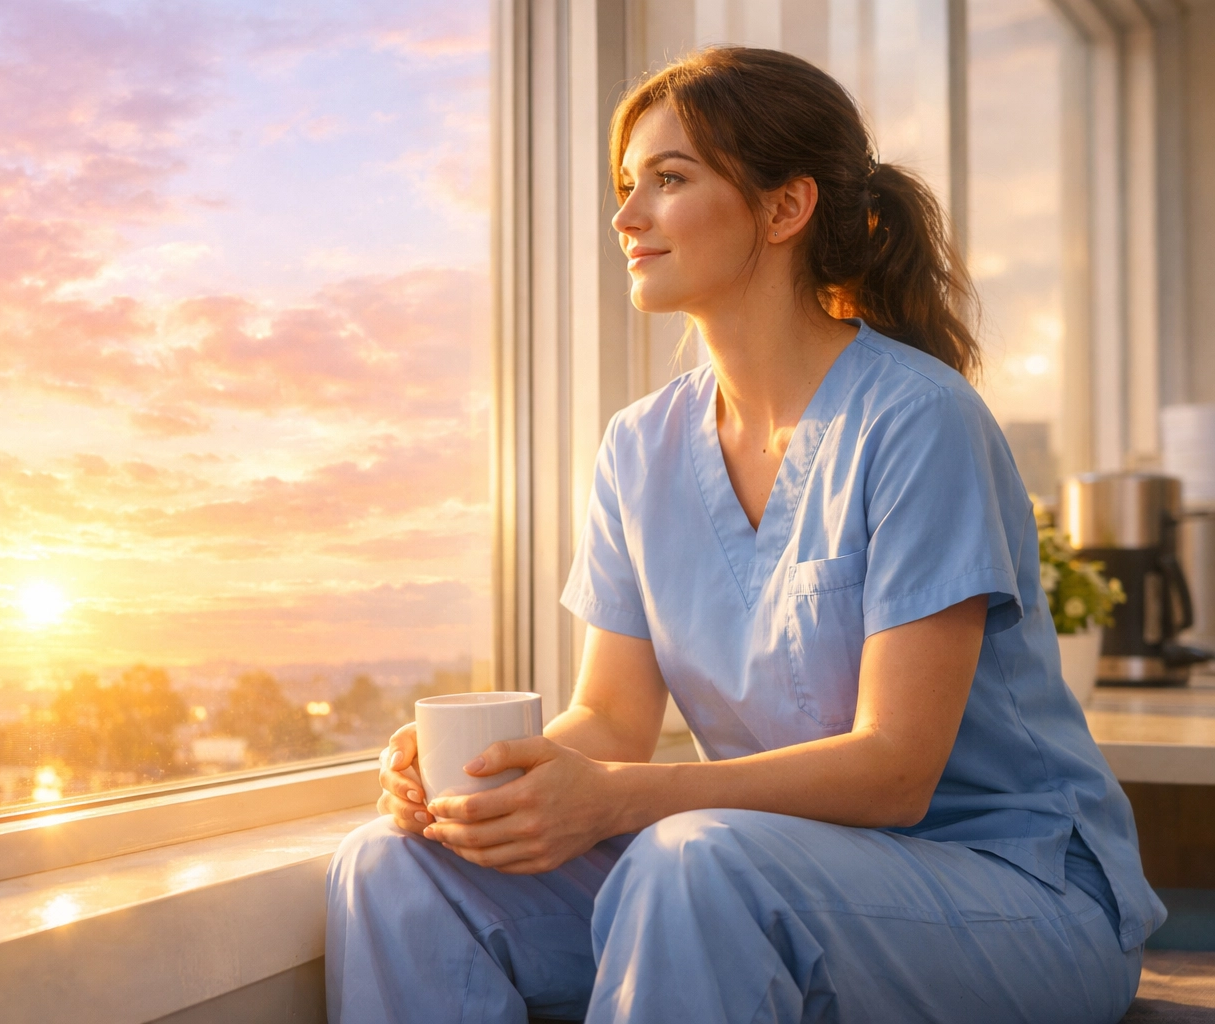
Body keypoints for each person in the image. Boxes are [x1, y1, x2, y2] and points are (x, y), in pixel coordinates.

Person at [325, 46, 1163, 1023]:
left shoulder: (918, 421)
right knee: (393, 865)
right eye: (626, 184)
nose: (625, 216)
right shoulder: (639, 447)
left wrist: (617, 798)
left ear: (783, 208)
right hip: (757, 865)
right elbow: (609, 722)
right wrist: (488, 790)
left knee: (697, 861)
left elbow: (897, 769)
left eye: (669, 180)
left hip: (1015, 893)